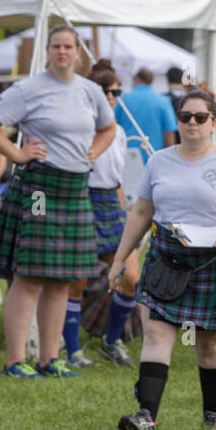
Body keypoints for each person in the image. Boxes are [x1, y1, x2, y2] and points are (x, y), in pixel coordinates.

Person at [109, 89, 216, 430]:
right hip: (167, 258)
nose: (192, 122)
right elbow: (141, 213)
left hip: (213, 260)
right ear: (177, 120)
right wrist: (121, 258)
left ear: (213, 123)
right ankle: (146, 415)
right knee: (155, 334)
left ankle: (212, 414)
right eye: (185, 116)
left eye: (200, 117)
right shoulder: (159, 161)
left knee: (208, 343)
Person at [0, 25, 116, 379]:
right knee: (31, 273)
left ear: (78, 53)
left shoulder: (91, 91)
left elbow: (108, 128)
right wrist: (17, 154)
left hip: (75, 188)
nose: (62, 52)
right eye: (56, 46)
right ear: (48, 51)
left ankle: (50, 359)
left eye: (68, 47)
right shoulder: (29, 88)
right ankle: (15, 360)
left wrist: (93, 152)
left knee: (62, 277)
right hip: (38, 187)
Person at [63, 62, 139, 369]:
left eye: (117, 91)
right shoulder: (77, 128)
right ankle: (72, 352)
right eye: (106, 90)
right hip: (82, 199)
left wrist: (124, 212)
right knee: (77, 281)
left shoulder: (118, 132)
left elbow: (117, 178)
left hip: (111, 203)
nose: (111, 96)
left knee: (130, 278)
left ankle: (110, 341)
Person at [114, 66, 177, 165]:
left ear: (137, 79)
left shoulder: (122, 99)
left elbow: (112, 127)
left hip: (125, 155)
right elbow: (169, 134)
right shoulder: (163, 101)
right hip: (153, 155)